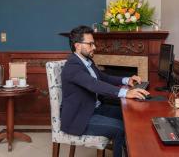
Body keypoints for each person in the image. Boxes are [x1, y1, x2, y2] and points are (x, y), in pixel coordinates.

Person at [61, 25, 149, 157]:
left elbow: (104, 78)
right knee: (120, 128)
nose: (94, 47)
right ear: (78, 46)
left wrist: (126, 80)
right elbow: (94, 84)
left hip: (94, 108)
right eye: (90, 44)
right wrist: (126, 93)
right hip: (79, 117)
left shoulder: (87, 61)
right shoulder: (73, 66)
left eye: (93, 44)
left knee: (130, 115)